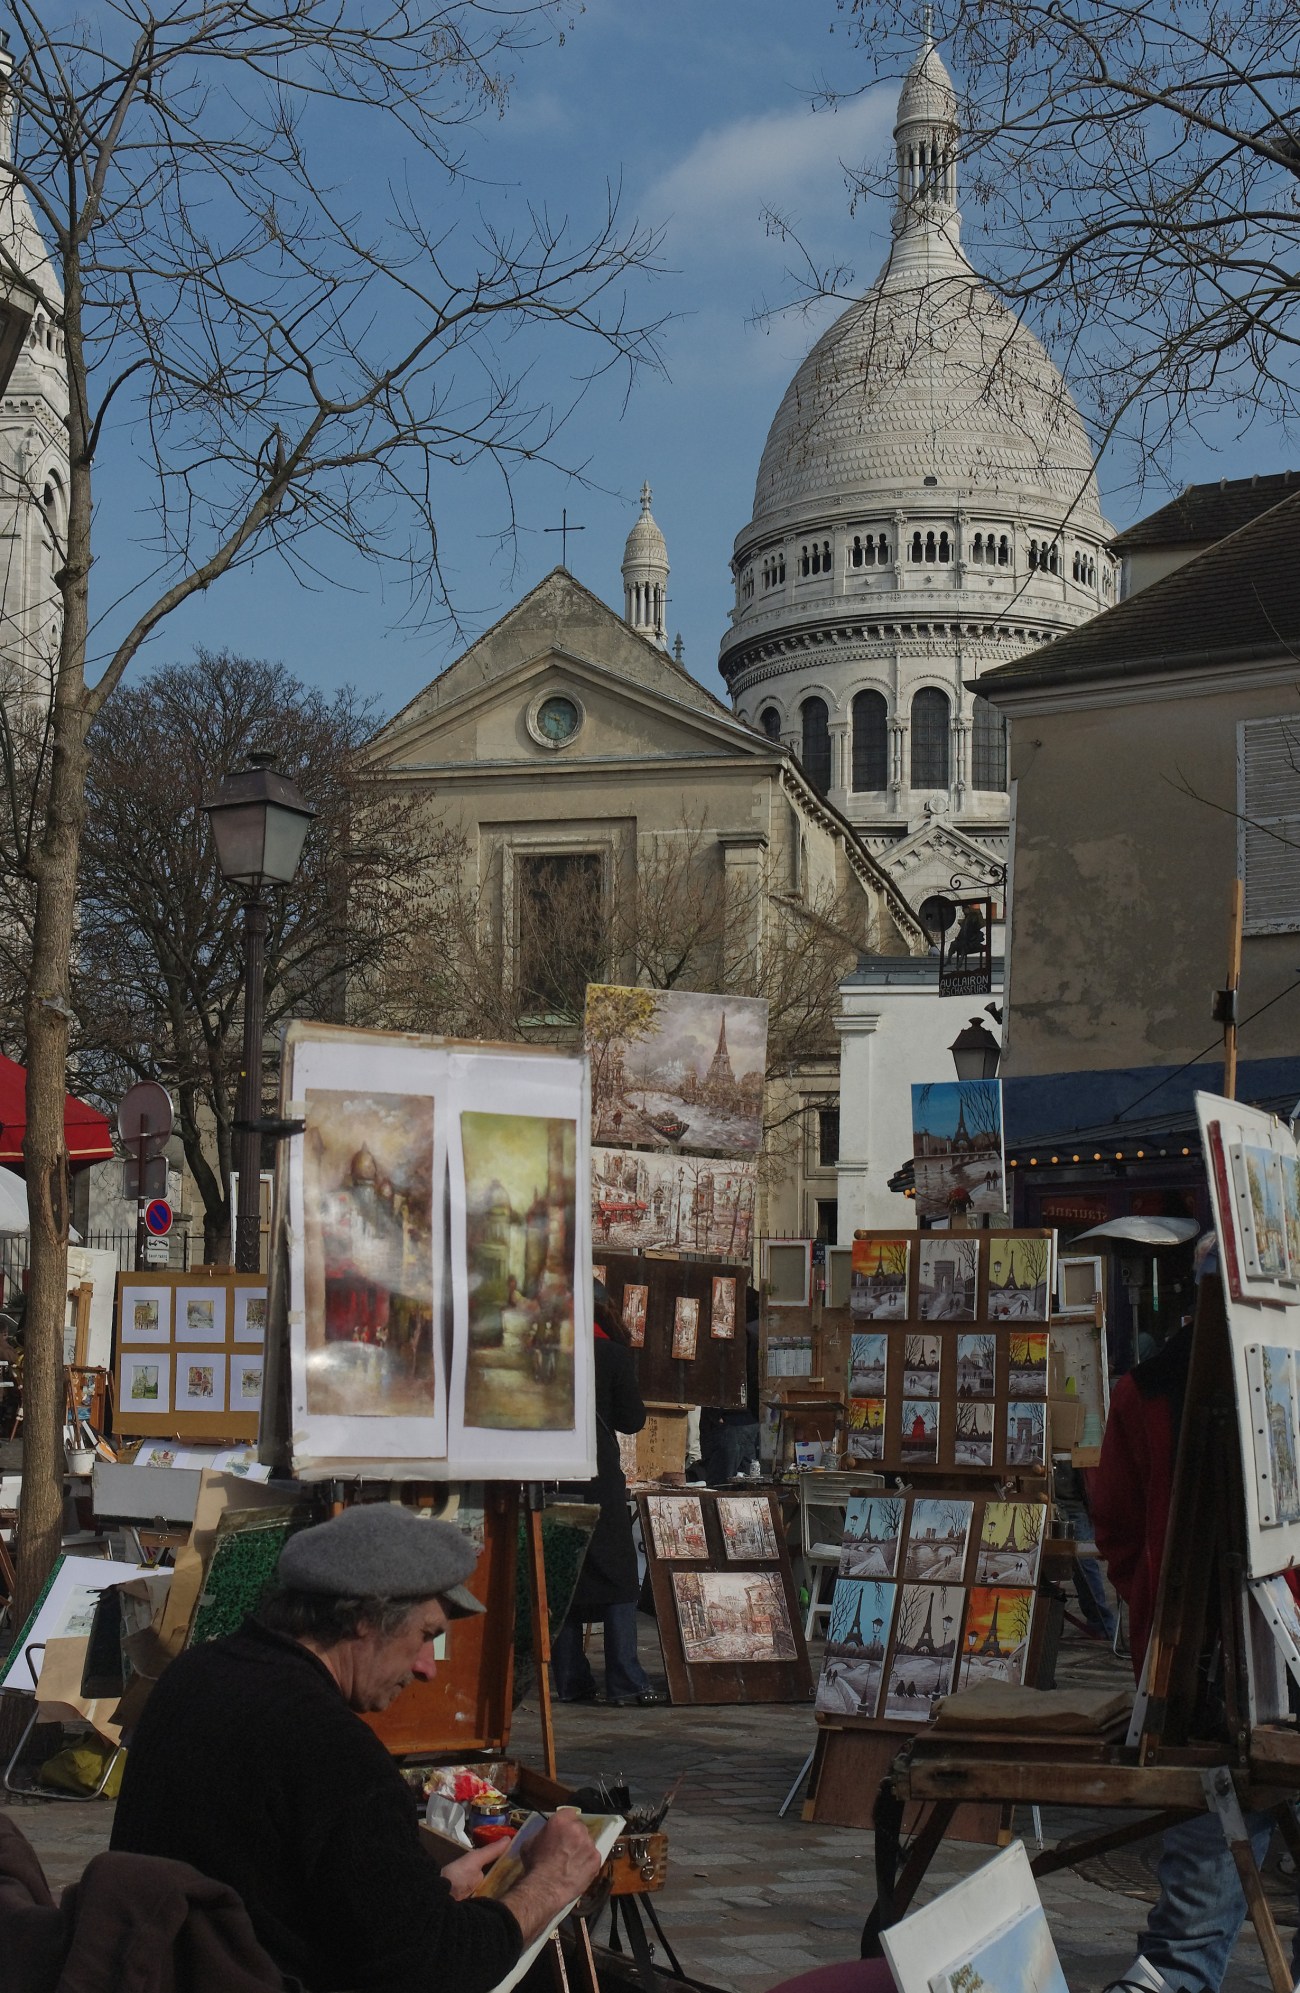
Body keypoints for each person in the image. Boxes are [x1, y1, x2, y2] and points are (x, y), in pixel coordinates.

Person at [112, 1504, 601, 1993]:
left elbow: (280, 1884)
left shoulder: (197, 1674)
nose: (428, 1668)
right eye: (425, 1636)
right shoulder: (332, 1748)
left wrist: (428, 1895)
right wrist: (550, 1885)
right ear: (366, 1619)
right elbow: (437, 1970)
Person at [1093, 1245, 1299, 1993]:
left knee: (1198, 1896)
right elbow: (1117, 1527)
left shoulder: (1141, 1387)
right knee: (1198, 1898)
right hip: (1203, 1672)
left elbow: (1114, 1528)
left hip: (1191, 1665)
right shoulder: (1149, 1390)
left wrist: (1149, 1606)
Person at [551, 1287, 664, 1708]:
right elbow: (632, 1419)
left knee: (563, 1578)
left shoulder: (549, 1355)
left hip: (553, 1477)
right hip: (598, 1479)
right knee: (618, 1579)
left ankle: (570, 1679)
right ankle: (624, 1678)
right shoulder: (612, 1355)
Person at [698, 1288, 761, 1484]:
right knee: (746, 1486)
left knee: (721, 1488)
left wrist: (714, 1416)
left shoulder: (727, 1337)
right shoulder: (757, 1332)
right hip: (748, 1421)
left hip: (727, 1422)